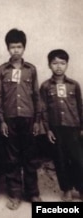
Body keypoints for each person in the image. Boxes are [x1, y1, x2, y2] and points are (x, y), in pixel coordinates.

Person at [0, 28, 42, 210]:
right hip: (10, 119)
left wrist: (37, 120)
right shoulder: (1, 70)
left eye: (19, 47)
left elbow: (36, 96)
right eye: (12, 47)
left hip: (29, 119)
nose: (16, 50)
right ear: (7, 48)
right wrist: (2, 120)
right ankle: (14, 194)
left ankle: (32, 193)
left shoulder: (31, 70)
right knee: (11, 158)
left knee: (30, 157)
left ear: (24, 48)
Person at [40, 49, 83, 201]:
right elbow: (43, 110)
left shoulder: (74, 85)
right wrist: (48, 130)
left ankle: (81, 188)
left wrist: (82, 127)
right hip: (56, 129)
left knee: (78, 160)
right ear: (49, 65)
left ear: (67, 65)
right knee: (61, 160)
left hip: (73, 128)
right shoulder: (45, 87)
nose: (59, 66)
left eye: (62, 63)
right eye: (55, 63)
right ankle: (66, 189)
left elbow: (80, 106)